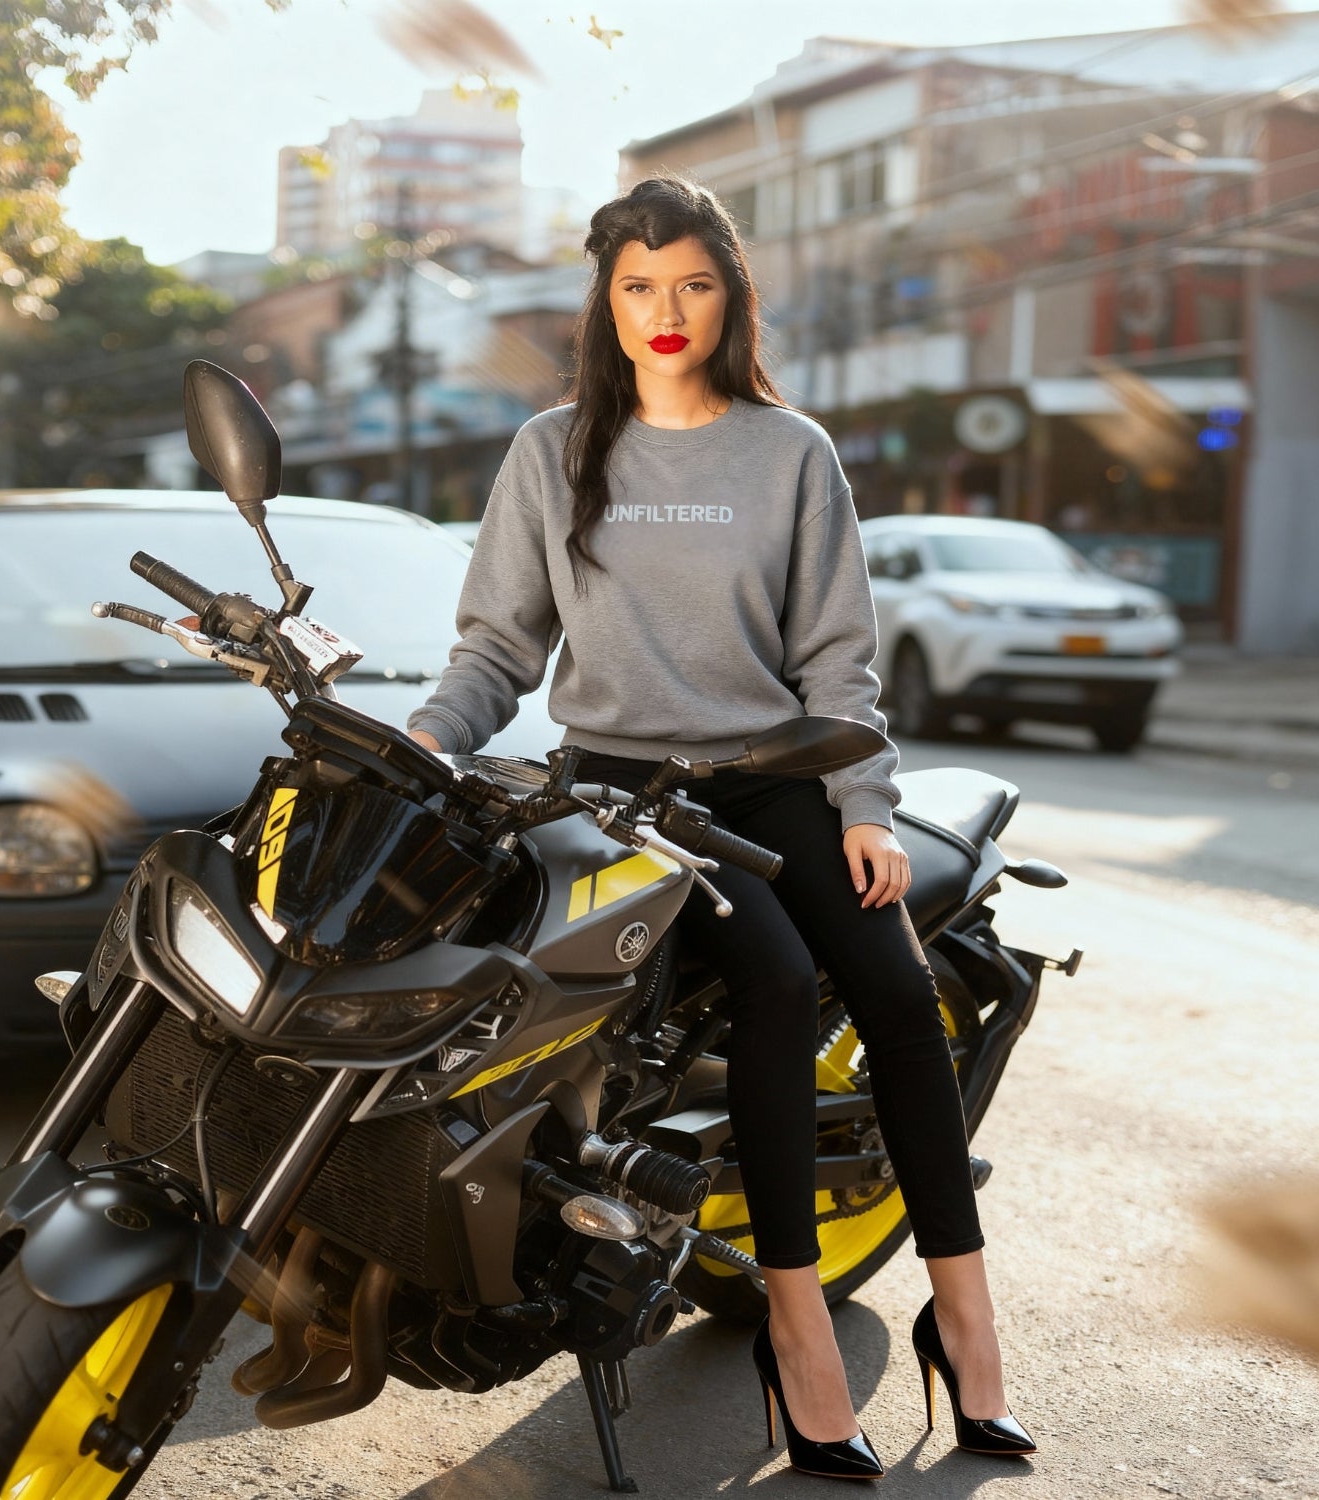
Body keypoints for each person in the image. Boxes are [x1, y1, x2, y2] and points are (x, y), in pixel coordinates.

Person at [407, 175, 1034, 1479]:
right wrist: (430, 740)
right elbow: (499, 644)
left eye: (692, 283)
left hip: (772, 774)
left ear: (729, 294)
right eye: (638, 287)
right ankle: (795, 1332)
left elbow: (837, 657)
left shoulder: (790, 450)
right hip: (622, 791)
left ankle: (964, 1314)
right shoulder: (553, 448)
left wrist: (864, 804)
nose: (666, 310)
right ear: (608, 303)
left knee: (893, 987)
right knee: (776, 972)